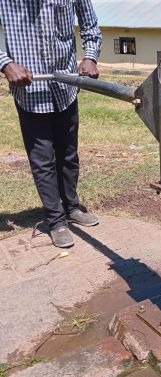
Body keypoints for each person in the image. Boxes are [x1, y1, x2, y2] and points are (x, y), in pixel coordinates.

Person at [0, 1, 102, 248]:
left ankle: (71, 207)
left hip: (65, 86)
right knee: (43, 159)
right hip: (31, 91)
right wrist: (5, 62)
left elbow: (90, 25)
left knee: (68, 154)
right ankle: (55, 220)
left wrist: (90, 57)